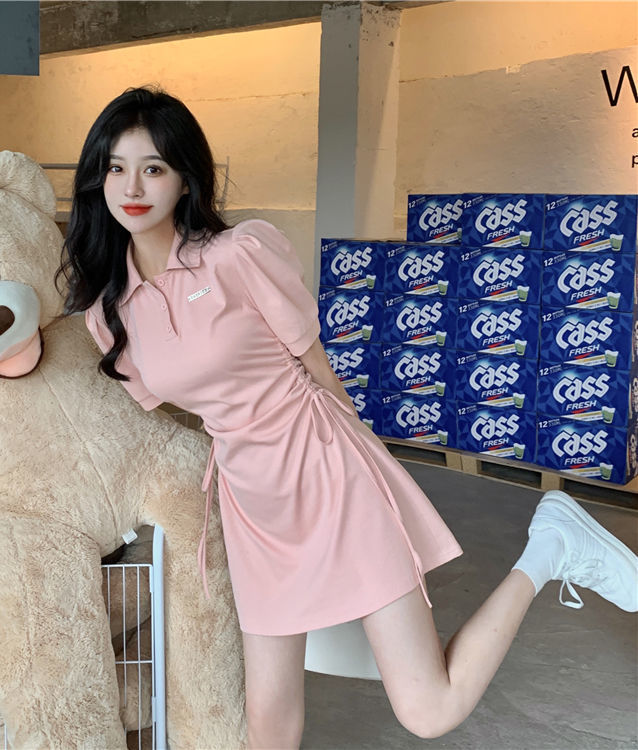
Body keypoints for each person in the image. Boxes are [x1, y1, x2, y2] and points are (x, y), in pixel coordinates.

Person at [58, 86, 638, 748]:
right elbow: (183, 414)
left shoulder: (236, 256)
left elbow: (318, 368)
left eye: (153, 167)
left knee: (429, 709)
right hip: (250, 503)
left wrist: (370, 463)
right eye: (116, 167)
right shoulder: (110, 315)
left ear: (185, 179)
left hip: (326, 468)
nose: (132, 187)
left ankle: (551, 548)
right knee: (269, 723)